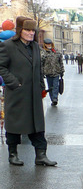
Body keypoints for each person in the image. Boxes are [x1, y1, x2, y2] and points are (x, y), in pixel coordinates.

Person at [0, 16, 57, 166]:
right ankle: (12, 154)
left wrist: (41, 86)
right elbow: (1, 67)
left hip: (34, 93)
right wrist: (13, 82)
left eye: (33, 30)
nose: (31, 33)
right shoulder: (8, 46)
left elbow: (38, 69)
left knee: (37, 124)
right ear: (20, 30)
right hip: (17, 92)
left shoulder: (35, 47)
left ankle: (41, 155)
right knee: (14, 124)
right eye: (27, 30)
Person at [41, 36, 65, 106]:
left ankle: (55, 98)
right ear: (44, 45)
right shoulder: (43, 53)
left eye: (50, 44)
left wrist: (62, 71)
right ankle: (52, 99)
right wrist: (42, 72)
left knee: (55, 86)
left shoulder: (56, 52)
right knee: (50, 87)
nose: (49, 46)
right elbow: (41, 64)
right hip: (48, 72)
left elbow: (60, 62)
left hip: (56, 72)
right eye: (47, 44)